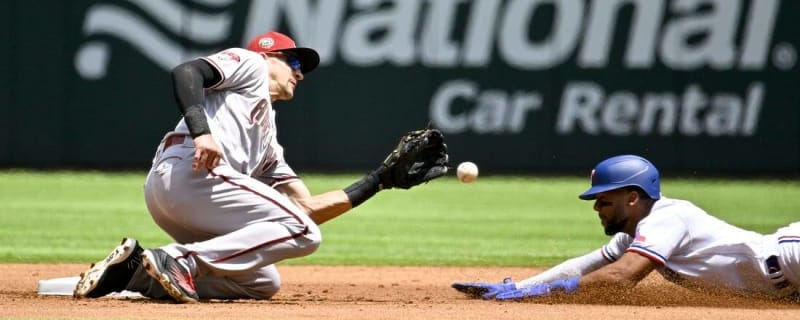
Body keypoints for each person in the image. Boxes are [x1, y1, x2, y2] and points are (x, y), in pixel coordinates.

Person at [73, 31, 448, 303]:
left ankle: (137, 272)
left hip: (182, 194)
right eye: (295, 61)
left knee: (262, 281)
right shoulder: (250, 64)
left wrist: (378, 182)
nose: (300, 73)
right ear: (269, 55)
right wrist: (202, 132)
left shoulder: (267, 141)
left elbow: (307, 210)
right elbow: (186, 72)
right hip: (191, 170)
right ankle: (180, 260)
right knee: (303, 233)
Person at [453, 154, 799, 301]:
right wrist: (518, 286)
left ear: (632, 198)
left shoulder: (666, 217)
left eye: (604, 200)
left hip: (790, 257)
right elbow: (588, 265)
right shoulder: (636, 232)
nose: (597, 208)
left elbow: (621, 277)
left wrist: (540, 293)